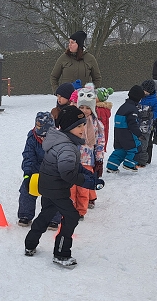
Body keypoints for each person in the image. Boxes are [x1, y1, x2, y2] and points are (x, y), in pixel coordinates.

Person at [24, 104, 102, 267]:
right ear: (68, 127)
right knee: (72, 216)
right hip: (56, 188)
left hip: (49, 185)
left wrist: (90, 175)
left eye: (83, 124)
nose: (82, 128)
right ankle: (61, 253)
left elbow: (73, 166)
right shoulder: (66, 146)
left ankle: (30, 243)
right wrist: (88, 182)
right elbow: (68, 173)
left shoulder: (65, 142)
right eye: (78, 126)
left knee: (46, 214)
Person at [18, 112, 61, 229]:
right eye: (41, 136)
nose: (42, 138)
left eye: (45, 136)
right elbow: (28, 156)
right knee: (26, 191)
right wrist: (27, 174)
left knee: (54, 193)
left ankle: (53, 218)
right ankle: (25, 215)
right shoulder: (32, 137)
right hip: (35, 170)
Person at [70, 85, 105, 217]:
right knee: (71, 188)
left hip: (87, 161)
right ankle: (71, 209)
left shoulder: (97, 124)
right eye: (82, 107)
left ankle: (81, 211)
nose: (84, 110)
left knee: (83, 188)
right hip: (71, 160)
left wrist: (99, 159)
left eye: (87, 108)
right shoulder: (71, 122)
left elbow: (100, 142)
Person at [106, 85, 144, 171]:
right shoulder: (132, 109)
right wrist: (139, 134)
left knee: (120, 149)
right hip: (127, 132)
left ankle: (111, 166)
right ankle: (129, 164)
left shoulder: (123, 107)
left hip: (118, 132)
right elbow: (132, 123)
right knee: (136, 148)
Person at [137, 79, 157, 165]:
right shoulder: (139, 97)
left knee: (144, 144)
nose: (143, 92)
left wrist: (150, 114)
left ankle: (143, 161)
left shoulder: (154, 100)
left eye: (145, 90)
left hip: (146, 126)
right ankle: (134, 158)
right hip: (136, 125)